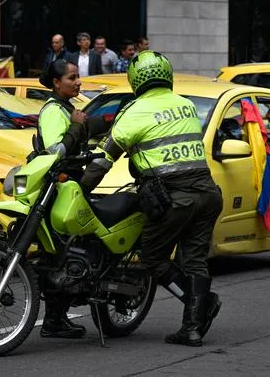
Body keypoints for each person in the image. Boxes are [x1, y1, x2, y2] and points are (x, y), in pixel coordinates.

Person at [80, 50, 223, 347]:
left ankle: (203, 302)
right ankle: (192, 329)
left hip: (174, 199)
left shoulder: (134, 111)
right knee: (195, 260)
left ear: (135, 79)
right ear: (167, 76)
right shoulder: (185, 106)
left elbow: (103, 160)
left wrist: (81, 189)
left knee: (153, 258)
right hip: (208, 194)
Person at [37, 58, 88, 338]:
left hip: (67, 188)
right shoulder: (54, 110)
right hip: (57, 190)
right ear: (57, 83)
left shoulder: (68, 108)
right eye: (72, 77)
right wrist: (77, 126)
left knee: (65, 250)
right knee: (60, 253)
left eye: (78, 76)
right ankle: (54, 320)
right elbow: (56, 151)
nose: (78, 81)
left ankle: (57, 317)